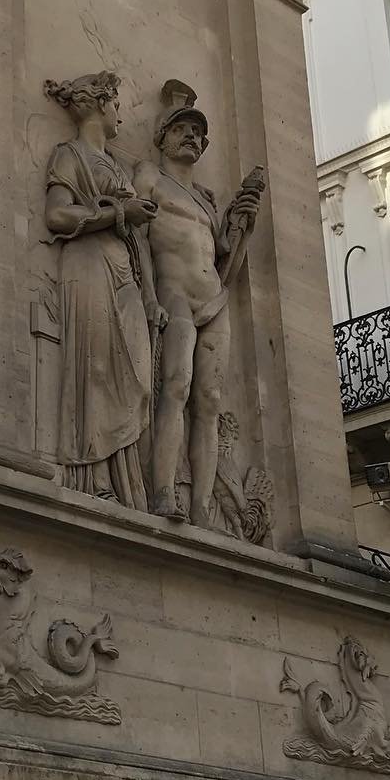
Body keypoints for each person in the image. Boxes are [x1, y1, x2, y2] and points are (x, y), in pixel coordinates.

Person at [132, 81, 264, 524]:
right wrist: (148, 297)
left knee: (208, 400)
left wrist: (241, 215)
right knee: (176, 387)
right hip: (173, 294)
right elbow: (134, 237)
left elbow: (224, 250)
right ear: (163, 137)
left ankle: (204, 509)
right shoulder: (149, 177)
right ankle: (163, 492)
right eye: (182, 129)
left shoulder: (206, 199)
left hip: (213, 298)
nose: (192, 136)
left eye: (198, 133)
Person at [42, 72, 158, 510]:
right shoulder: (69, 155)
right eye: (116, 105)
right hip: (87, 264)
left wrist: (150, 296)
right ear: (100, 106)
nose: (120, 114)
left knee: (137, 375)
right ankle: (96, 480)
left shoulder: (115, 165)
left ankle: (129, 484)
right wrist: (115, 212)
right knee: (94, 367)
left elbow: (138, 236)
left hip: (123, 268)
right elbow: (56, 216)